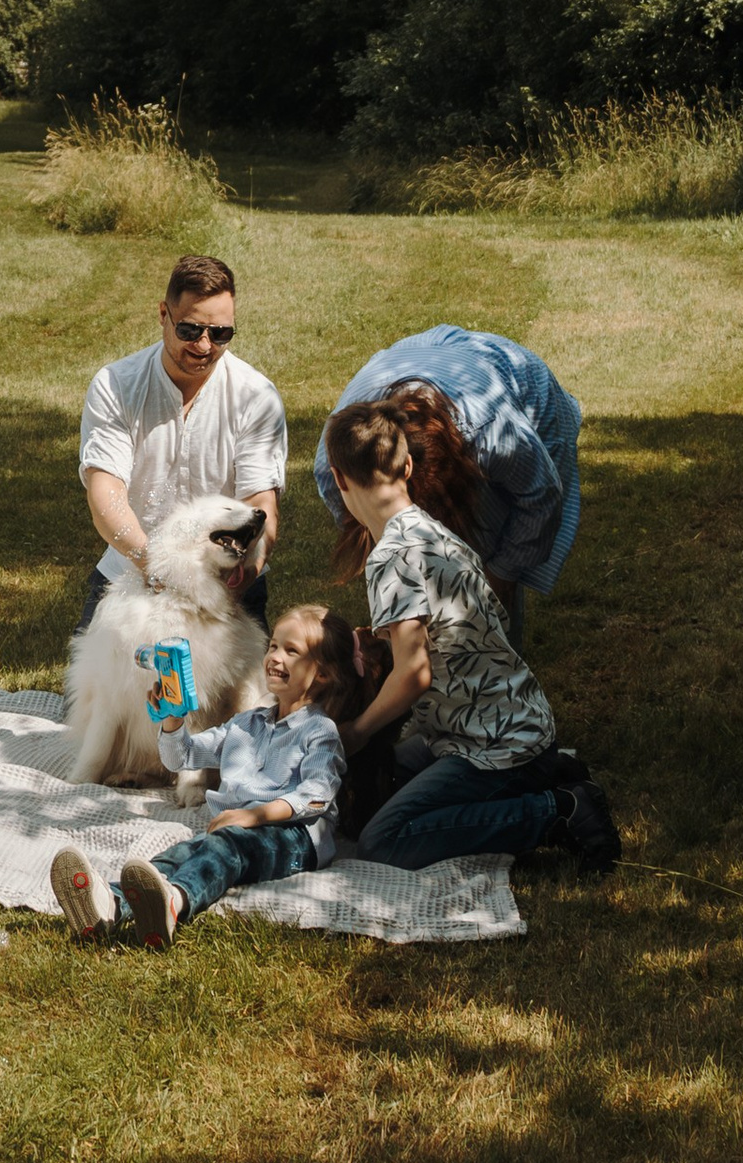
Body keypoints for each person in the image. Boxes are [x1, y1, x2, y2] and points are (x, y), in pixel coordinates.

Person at [325, 400, 618, 875]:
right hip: (501, 725)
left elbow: (414, 674)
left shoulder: (391, 558)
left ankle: (558, 812)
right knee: (389, 779)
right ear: (408, 465)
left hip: (493, 748)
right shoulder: (435, 533)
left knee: (383, 840)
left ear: (339, 479)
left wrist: (358, 730)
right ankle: (543, 777)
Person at [49, 602, 351, 944]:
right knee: (177, 856)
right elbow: (182, 757)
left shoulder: (318, 730)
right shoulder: (247, 723)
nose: (275, 657)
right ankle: (108, 904)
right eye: (273, 646)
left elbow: (316, 796)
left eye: (291, 651)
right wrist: (173, 718)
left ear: (322, 673)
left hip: (294, 837)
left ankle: (175, 902)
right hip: (236, 828)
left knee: (224, 853)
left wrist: (253, 816)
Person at [314, 326, 583, 640]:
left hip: (514, 381)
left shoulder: (494, 433)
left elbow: (540, 498)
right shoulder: (336, 456)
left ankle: (501, 646)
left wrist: (498, 579)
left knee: (488, 554)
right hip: (422, 356)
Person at [76, 254, 285, 631]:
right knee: (93, 692)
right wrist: (159, 567)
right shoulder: (116, 386)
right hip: (131, 576)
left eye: (220, 334)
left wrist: (248, 569)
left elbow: (259, 503)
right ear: (163, 315)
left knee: (250, 692)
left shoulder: (256, 396)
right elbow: (105, 496)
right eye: (190, 330)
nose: (205, 346)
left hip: (228, 585)